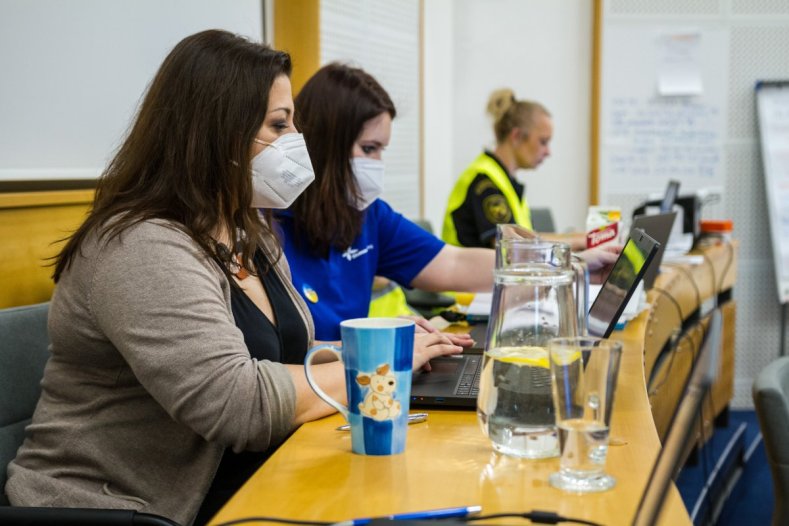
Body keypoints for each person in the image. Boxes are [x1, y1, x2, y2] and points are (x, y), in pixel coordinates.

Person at [4, 31, 459, 526]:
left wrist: (376, 346)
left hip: (239, 485)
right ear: (219, 132)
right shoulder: (141, 246)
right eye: (279, 125)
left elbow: (283, 360)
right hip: (121, 507)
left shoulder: (248, 231)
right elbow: (237, 403)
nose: (295, 145)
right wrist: (383, 369)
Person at [276, 64, 617, 342]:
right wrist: (381, 341)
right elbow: (276, 357)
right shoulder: (270, 226)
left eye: (382, 150)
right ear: (327, 145)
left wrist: (570, 265)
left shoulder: (369, 217)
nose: (377, 163)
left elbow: (453, 263)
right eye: (369, 149)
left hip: (360, 385)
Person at [442, 88, 584, 250]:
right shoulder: (485, 182)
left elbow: (527, 240)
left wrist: (575, 239)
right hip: (471, 275)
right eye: (543, 142)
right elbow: (512, 247)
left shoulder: (503, 180)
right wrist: (576, 241)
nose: (548, 152)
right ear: (516, 136)